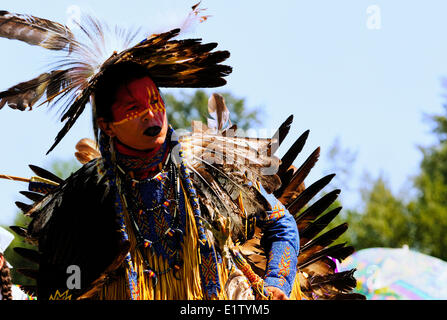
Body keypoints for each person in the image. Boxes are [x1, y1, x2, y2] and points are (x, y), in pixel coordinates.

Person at [0, 7, 363, 301]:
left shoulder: (207, 162)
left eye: (155, 101)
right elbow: (63, 283)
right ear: (107, 125)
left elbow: (281, 224)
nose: (150, 113)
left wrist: (276, 285)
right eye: (132, 107)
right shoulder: (83, 198)